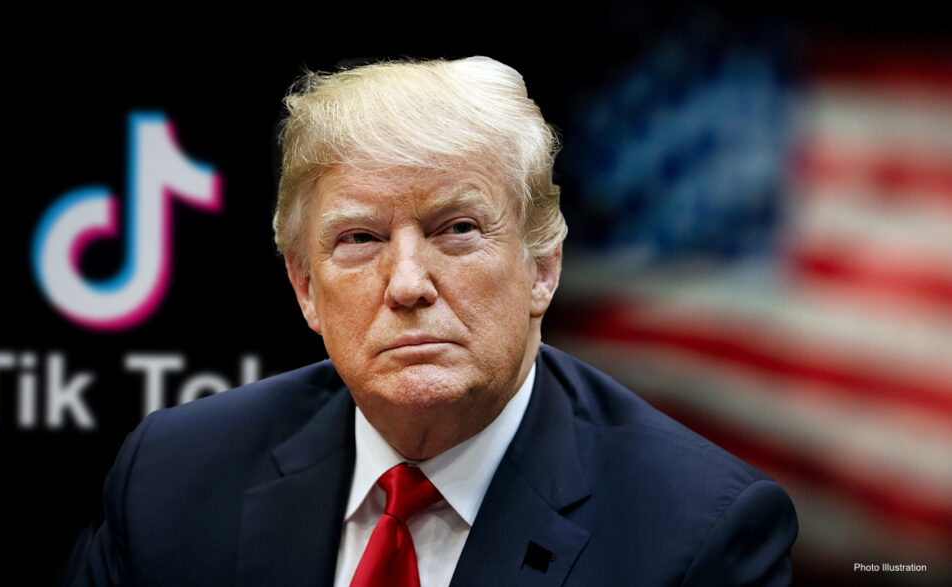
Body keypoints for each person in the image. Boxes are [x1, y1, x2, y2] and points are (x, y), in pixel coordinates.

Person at [69, 56, 797, 586]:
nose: (408, 284)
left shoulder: (699, 536)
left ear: (542, 268)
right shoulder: (172, 478)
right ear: (305, 287)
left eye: (457, 229)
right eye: (361, 238)